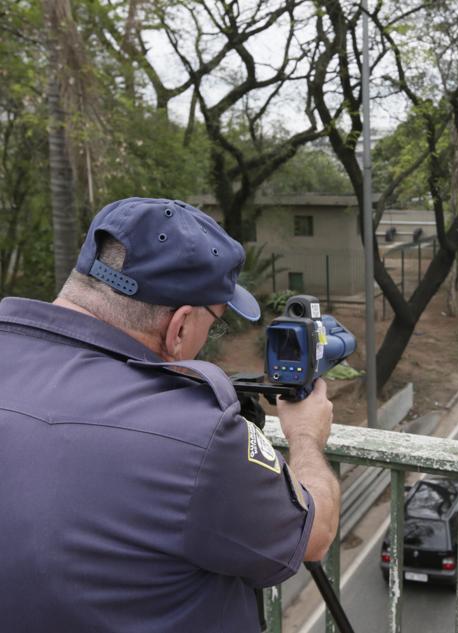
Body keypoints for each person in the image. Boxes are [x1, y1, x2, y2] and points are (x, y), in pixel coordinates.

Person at [0, 198, 341, 632]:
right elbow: (316, 534)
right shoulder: (197, 437)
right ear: (179, 327)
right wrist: (306, 435)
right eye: (214, 323)